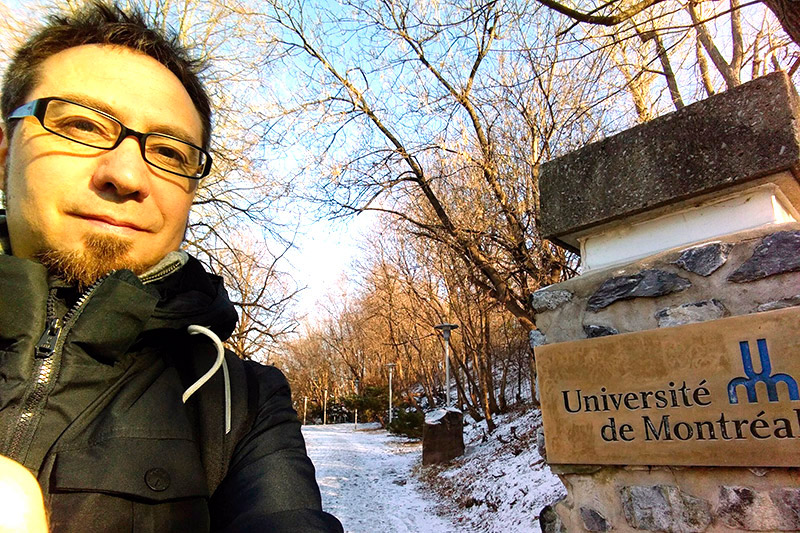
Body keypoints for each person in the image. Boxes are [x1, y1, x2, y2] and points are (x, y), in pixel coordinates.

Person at [0, 2, 343, 532]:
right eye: (82, 125)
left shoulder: (235, 402)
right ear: (4, 151)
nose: (127, 174)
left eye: (169, 151)